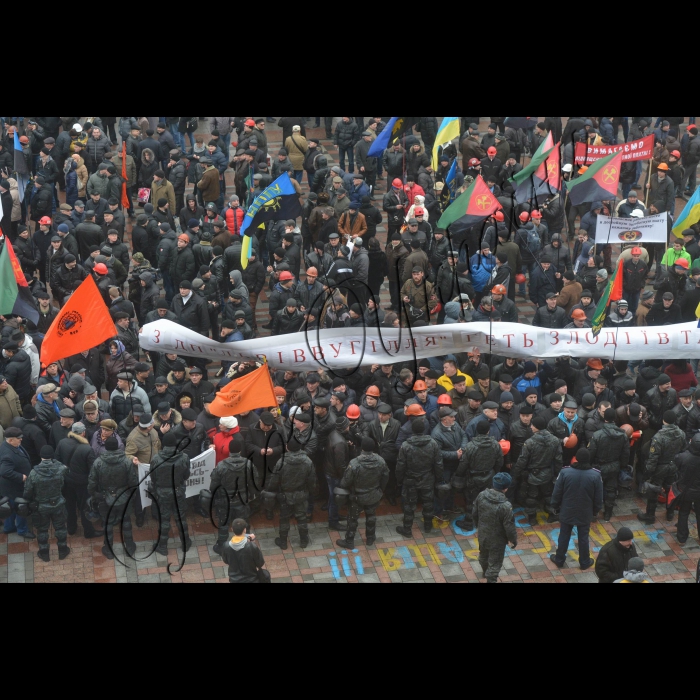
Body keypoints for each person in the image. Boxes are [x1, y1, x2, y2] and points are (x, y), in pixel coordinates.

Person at [549, 448, 603, 571]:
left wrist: (555, 506)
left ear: (576, 458)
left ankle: (559, 559)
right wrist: (595, 510)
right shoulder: (595, 475)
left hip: (567, 509)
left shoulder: (565, 472)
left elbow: (557, 492)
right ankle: (584, 561)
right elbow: (598, 497)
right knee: (583, 537)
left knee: (564, 535)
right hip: (585, 511)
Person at [88, 436, 138, 560]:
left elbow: (92, 481)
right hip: (124, 496)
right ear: (117, 446)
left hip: (105, 497)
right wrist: (132, 494)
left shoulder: (98, 462)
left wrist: (94, 494)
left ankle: (109, 549)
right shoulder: (126, 461)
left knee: (108, 523)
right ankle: (130, 546)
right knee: (126, 521)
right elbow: (133, 480)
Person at [208, 436, 260, 555]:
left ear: (229, 450)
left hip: (225, 500)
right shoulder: (248, 464)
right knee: (244, 523)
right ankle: (246, 544)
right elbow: (254, 483)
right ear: (240, 451)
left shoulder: (221, 465)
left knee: (223, 523)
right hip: (242, 499)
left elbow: (213, 485)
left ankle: (221, 546)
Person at [336, 438, 390, 549]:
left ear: (362, 448)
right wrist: (381, 490)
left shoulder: (355, 463)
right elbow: (386, 476)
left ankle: (349, 541)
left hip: (357, 497)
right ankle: (370, 538)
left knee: (352, 519)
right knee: (371, 516)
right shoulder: (380, 461)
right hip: (373, 494)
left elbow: (345, 482)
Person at [511, 415, 563, 527]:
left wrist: (516, 473)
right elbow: (558, 459)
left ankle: (532, 518)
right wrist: (557, 474)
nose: (531, 427)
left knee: (531, 497)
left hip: (532, 474)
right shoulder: (555, 440)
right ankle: (552, 514)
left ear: (536, 427)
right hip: (548, 472)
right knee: (548, 494)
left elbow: (522, 460)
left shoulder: (529, 442)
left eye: (532, 425)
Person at [395, 418, 443, 538]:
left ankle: (407, 529)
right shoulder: (433, 443)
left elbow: (400, 465)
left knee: (409, 505)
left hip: (410, 479)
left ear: (412, 430)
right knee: (428, 503)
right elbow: (438, 463)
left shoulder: (405, 446)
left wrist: (399, 479)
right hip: (427, 477)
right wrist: (438, 478)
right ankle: (427, 526)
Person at [266, 437, 316, 551]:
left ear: (287, 447)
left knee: (284, 518)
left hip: (285, 495)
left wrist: (270, 490)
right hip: (302, 494)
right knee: (302, 517)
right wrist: (312, 492)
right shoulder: (308, 461)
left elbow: (274, 479)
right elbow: (312, 479)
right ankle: (303, 540)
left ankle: (283, 541)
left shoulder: (281, 461)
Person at [22, 446, 70, 562]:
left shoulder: (34, 473)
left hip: (41, 506)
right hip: (58, 503)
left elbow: (27, 492)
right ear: (52, 456)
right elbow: (66, 470)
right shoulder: (60, 469)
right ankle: (62, 551)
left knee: (42, 530)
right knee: (60, 528)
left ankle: (44, 553)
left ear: (41, 456)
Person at [639, 411, 686, 525]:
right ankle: (670, 513)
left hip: (660, 467)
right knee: (671, 490)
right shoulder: (681, 433)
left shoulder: (659, 436)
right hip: (673, 465)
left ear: (664, 420)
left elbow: (653, 457)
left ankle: (650, 515)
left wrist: (648, 472)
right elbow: (683, 450)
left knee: (654, 490)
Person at [149, 431, 192, 555]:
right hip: (178, 491)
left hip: (163, 492)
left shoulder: (156, 459)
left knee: (164, 519)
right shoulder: (184, 457)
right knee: (181, 517)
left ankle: (162, 546)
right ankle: (185, 543)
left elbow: (153, 477)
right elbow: (186, 475)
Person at [473, 472, 518, 584]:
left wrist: (478, 526)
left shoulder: (482, 495)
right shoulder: (506, 506)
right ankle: (490, 578)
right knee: (495, 563)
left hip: (483, 534)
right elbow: (509, 527)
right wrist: (513, 539)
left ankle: (484, 571)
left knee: (483, 556)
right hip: (497, 540)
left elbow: (474, 513)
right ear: (506, 488)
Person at [588, 408, 631, 521]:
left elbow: (591, 452)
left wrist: (590, 464)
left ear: (604, 418)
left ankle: (594, 513)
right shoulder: (623, 435)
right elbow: (626, 453)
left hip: (598, 466)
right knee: (611, 490)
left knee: (596, 490)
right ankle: (608, 513)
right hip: (614, 466)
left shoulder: (597, 435)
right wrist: (622, 465)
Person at [0, 427, 35, 539]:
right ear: (10, 440)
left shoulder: (9, 445)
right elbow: (5, 471)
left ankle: (8, 527)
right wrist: (21, 477)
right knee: (21, 508)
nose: (21, 440)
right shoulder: (7, 454)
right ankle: (22, 530)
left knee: (10, 507)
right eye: (18, 438)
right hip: (15, 487)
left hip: (10, 488)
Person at [220, 519, 269, 584]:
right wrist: (253, 543)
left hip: (234, 580)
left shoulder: (226, 546)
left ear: (232, 529)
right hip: (252, 579)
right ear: (245, 530)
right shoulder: (251, 546)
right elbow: (260, 563)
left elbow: (226, 561)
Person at [673, 433, 700, 545]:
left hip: (686, 491)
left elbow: (676, 469)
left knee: (683, 513)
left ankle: (682, 538)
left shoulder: (683, 457)